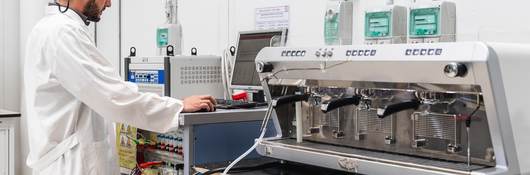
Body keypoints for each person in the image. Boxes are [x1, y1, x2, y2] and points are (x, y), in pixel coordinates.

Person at [23, 0, 216, 174]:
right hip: (70, 164)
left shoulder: (53, 28)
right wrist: (178, 106)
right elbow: (114, 97)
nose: (109, 4)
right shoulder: (62, 32)